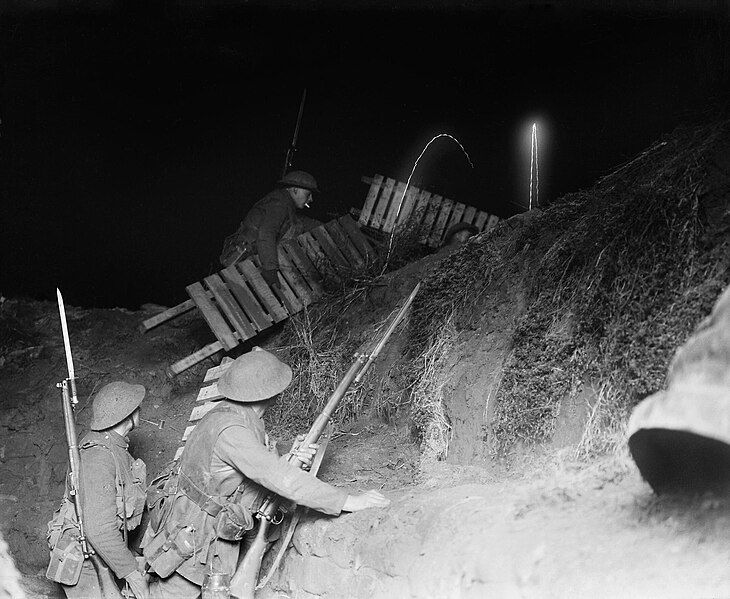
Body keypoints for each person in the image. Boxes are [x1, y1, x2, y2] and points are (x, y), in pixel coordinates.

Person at [143, 349, 390, 599]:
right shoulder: (232, 430)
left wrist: (286, 460)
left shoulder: (227, 415)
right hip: (196, 544)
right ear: (270, 393)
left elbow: (237, 473)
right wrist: (348, 501)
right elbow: (282, 480)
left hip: (198, 529)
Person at [47, 381, 149, 599]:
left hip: (103, 548)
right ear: (127, 416)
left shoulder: (115, 446)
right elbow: (99, 530)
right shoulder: (98, 457)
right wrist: (132, 573)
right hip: (83, 558)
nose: (140, 410)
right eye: (136, 407)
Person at [219, 171, 319, 288]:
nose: (311, 199)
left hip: (252, 260)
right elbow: (267, 233)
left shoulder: (284, 203)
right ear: (295, 189)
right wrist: (270, 269)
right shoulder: (280, 203)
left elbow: (300, 222)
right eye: (308, 194)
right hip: (244, 260)